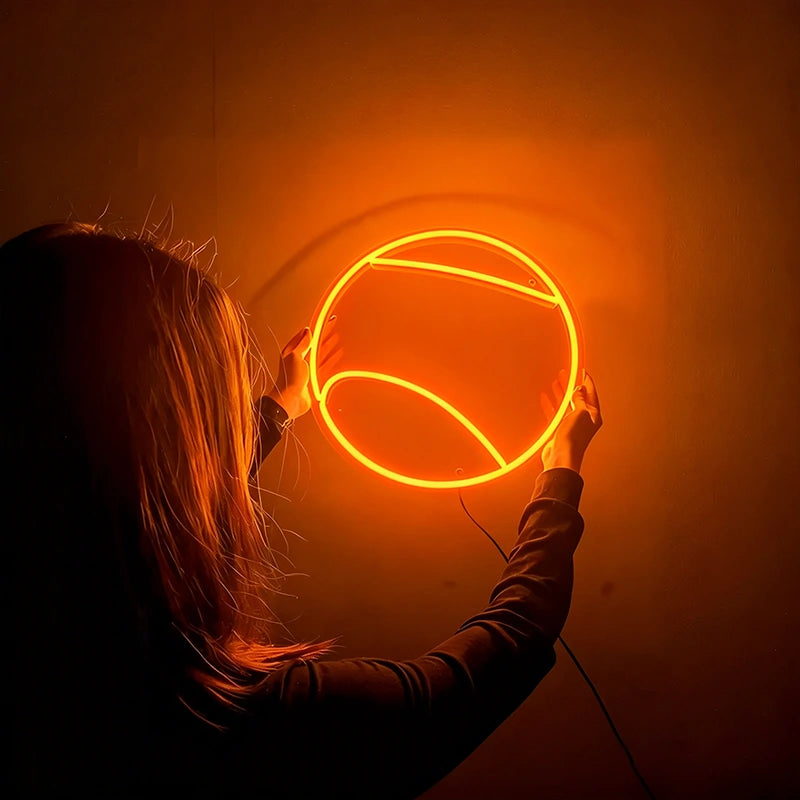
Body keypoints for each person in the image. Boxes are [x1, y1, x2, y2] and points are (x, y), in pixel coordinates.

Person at [2, 221, 602, 799]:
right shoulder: (256, 731)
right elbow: (510, 646)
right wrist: (561, 470)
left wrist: (277, 411)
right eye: (212, 413)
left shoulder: (47, 692)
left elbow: (139, 502)